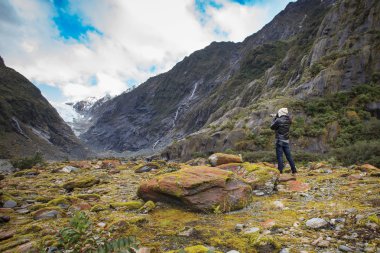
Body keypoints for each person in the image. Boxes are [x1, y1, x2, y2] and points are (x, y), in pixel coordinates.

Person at [270, 108, 297, 175]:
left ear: (280, 113)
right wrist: (277, 117)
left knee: (280, 156)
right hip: (286, 140)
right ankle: (294, 170)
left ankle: (280, 171)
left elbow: (272, 127)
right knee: (289, 156)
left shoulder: (278, 120)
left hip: (279, 140)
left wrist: (274, 118)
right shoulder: (289, 120)